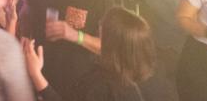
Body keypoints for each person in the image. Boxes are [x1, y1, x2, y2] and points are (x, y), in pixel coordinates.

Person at [23, 7, 174, 101]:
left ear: (111, 43)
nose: (99, 26)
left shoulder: (101, 87)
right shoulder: (154, 71)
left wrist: (36, 74)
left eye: (102, 27)